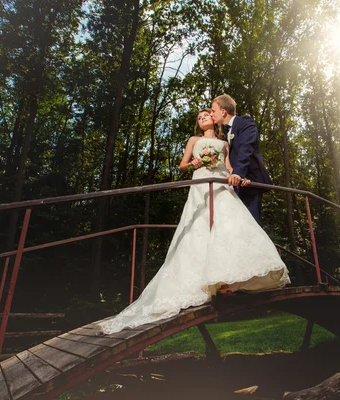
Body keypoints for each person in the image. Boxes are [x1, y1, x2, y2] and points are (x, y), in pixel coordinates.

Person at [98, 109, 290, 335]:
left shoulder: (223, 143)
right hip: (201, 184)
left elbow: (228, 167)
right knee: (199, 227)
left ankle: (224, 280)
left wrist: (238, 176)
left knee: (229, 226)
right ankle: (206, 280)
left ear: (213, 118)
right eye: (199, 118)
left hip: (219, 184)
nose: (203, 119)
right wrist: (194, 163)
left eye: (206, 115)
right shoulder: (194, 140)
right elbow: (181, 165)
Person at [211, 94, 272, 225]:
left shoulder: (245, 122)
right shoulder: (224, 133)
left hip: (250, 182)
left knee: (252, 224)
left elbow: (246, 148)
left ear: (223, 112)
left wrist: (238, 172)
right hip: (235, 185)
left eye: (213, 110)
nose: (211, 114)